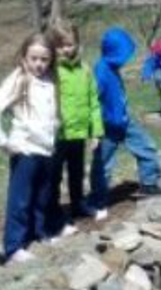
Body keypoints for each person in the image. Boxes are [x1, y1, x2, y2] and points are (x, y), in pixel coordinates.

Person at [0, 33, 59, 264]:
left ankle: (39, 232)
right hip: (25, 150)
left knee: (43, 197)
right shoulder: (18, 78)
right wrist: (3, 141)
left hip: (47, 150)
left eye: (44, 59)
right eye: (34, 58)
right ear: (24, 58)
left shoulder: (51, 80)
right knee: (21, 200)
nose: (39, 64)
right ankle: (13, 246)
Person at [89, 28, 161, 222]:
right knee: (103, 165)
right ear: (114, 53)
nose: (126, 60)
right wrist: (94, 128)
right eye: (124, 55)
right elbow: (92, 101)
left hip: (124, 121)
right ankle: (98, 200)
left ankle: (149, 184)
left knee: (147, 147)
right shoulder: (101, 71)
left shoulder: (113, 68)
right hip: (107, 127)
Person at [47, 19, 104, 232]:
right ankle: (53, 215)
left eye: (70, 44)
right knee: (53, 177)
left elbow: (93, 101)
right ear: (52, 46)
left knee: (77, 173)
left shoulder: (85, 69)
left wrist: (96, 131)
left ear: (77, 44)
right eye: (60, 45)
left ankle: (78, 205)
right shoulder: (51, 71)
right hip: (57, 135)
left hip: (79, 133)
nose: (66, 49)